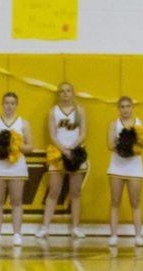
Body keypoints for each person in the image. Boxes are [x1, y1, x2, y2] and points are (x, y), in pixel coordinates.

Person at [38, 82, 87, 239]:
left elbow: (83, 133)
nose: (65, 94)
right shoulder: (53, 112)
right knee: (53, 192)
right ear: (58, 94)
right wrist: (63, 149)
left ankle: (76, 227)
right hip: (57, 154)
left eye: (68, 91)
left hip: (75, 153)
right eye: (62, 91)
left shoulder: (80, 110)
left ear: (73, 93)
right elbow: (52, 135)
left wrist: (72, 149)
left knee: (75, 192)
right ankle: (45, 227)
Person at [0, 92, 32, 247]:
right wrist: (0, 146)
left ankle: (17, 234)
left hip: (16, 166)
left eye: (12, 103)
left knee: (17, 201)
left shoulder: (24, 123)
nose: (9, 106)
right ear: (2, 104)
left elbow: (30, 146)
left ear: (17, 105)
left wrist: (15, 146)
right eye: (6, 103)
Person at [106, 96, 143, 247]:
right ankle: (113, 235)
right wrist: (124, 143)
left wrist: (137, 141)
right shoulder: (114, 124)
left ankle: (138, 235)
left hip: (135, 167)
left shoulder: (141, 124)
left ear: (132, 107)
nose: (125, 110)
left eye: (128, 106)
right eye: (122, 107)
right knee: (115, 201)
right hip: (117, 166)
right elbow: (110, 145)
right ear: (118, 109)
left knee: (135, 202)